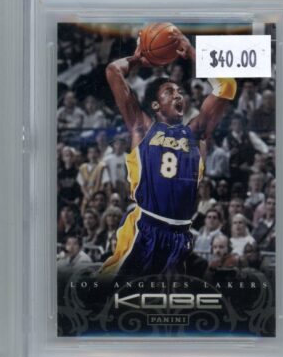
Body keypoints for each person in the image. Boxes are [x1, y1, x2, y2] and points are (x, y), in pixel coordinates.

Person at [99, 27, 236, 277]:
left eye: (180, 92)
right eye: (169, 92)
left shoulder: (196, 132)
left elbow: (227, 86)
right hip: (145, 229)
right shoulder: (143, 128)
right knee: (112, 293)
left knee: (166, 300)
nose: (178, 95)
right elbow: (113, 71)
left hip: (180, 235)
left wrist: (191, 51)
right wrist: (138, 59)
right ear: (155, 105)